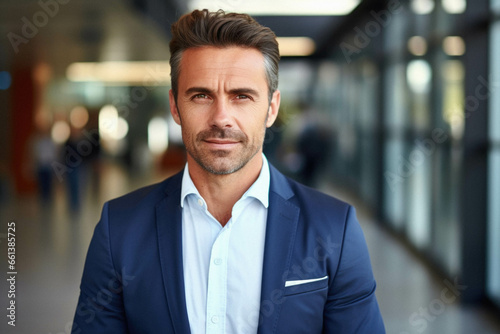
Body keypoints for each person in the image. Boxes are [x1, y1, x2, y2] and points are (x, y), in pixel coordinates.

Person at [72, 9, 385, 334]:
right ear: (175, 107)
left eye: (241, 96)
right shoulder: (119, 228)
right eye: (201, 96)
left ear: (272, 108)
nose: (221, 118)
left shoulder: (335, 229)